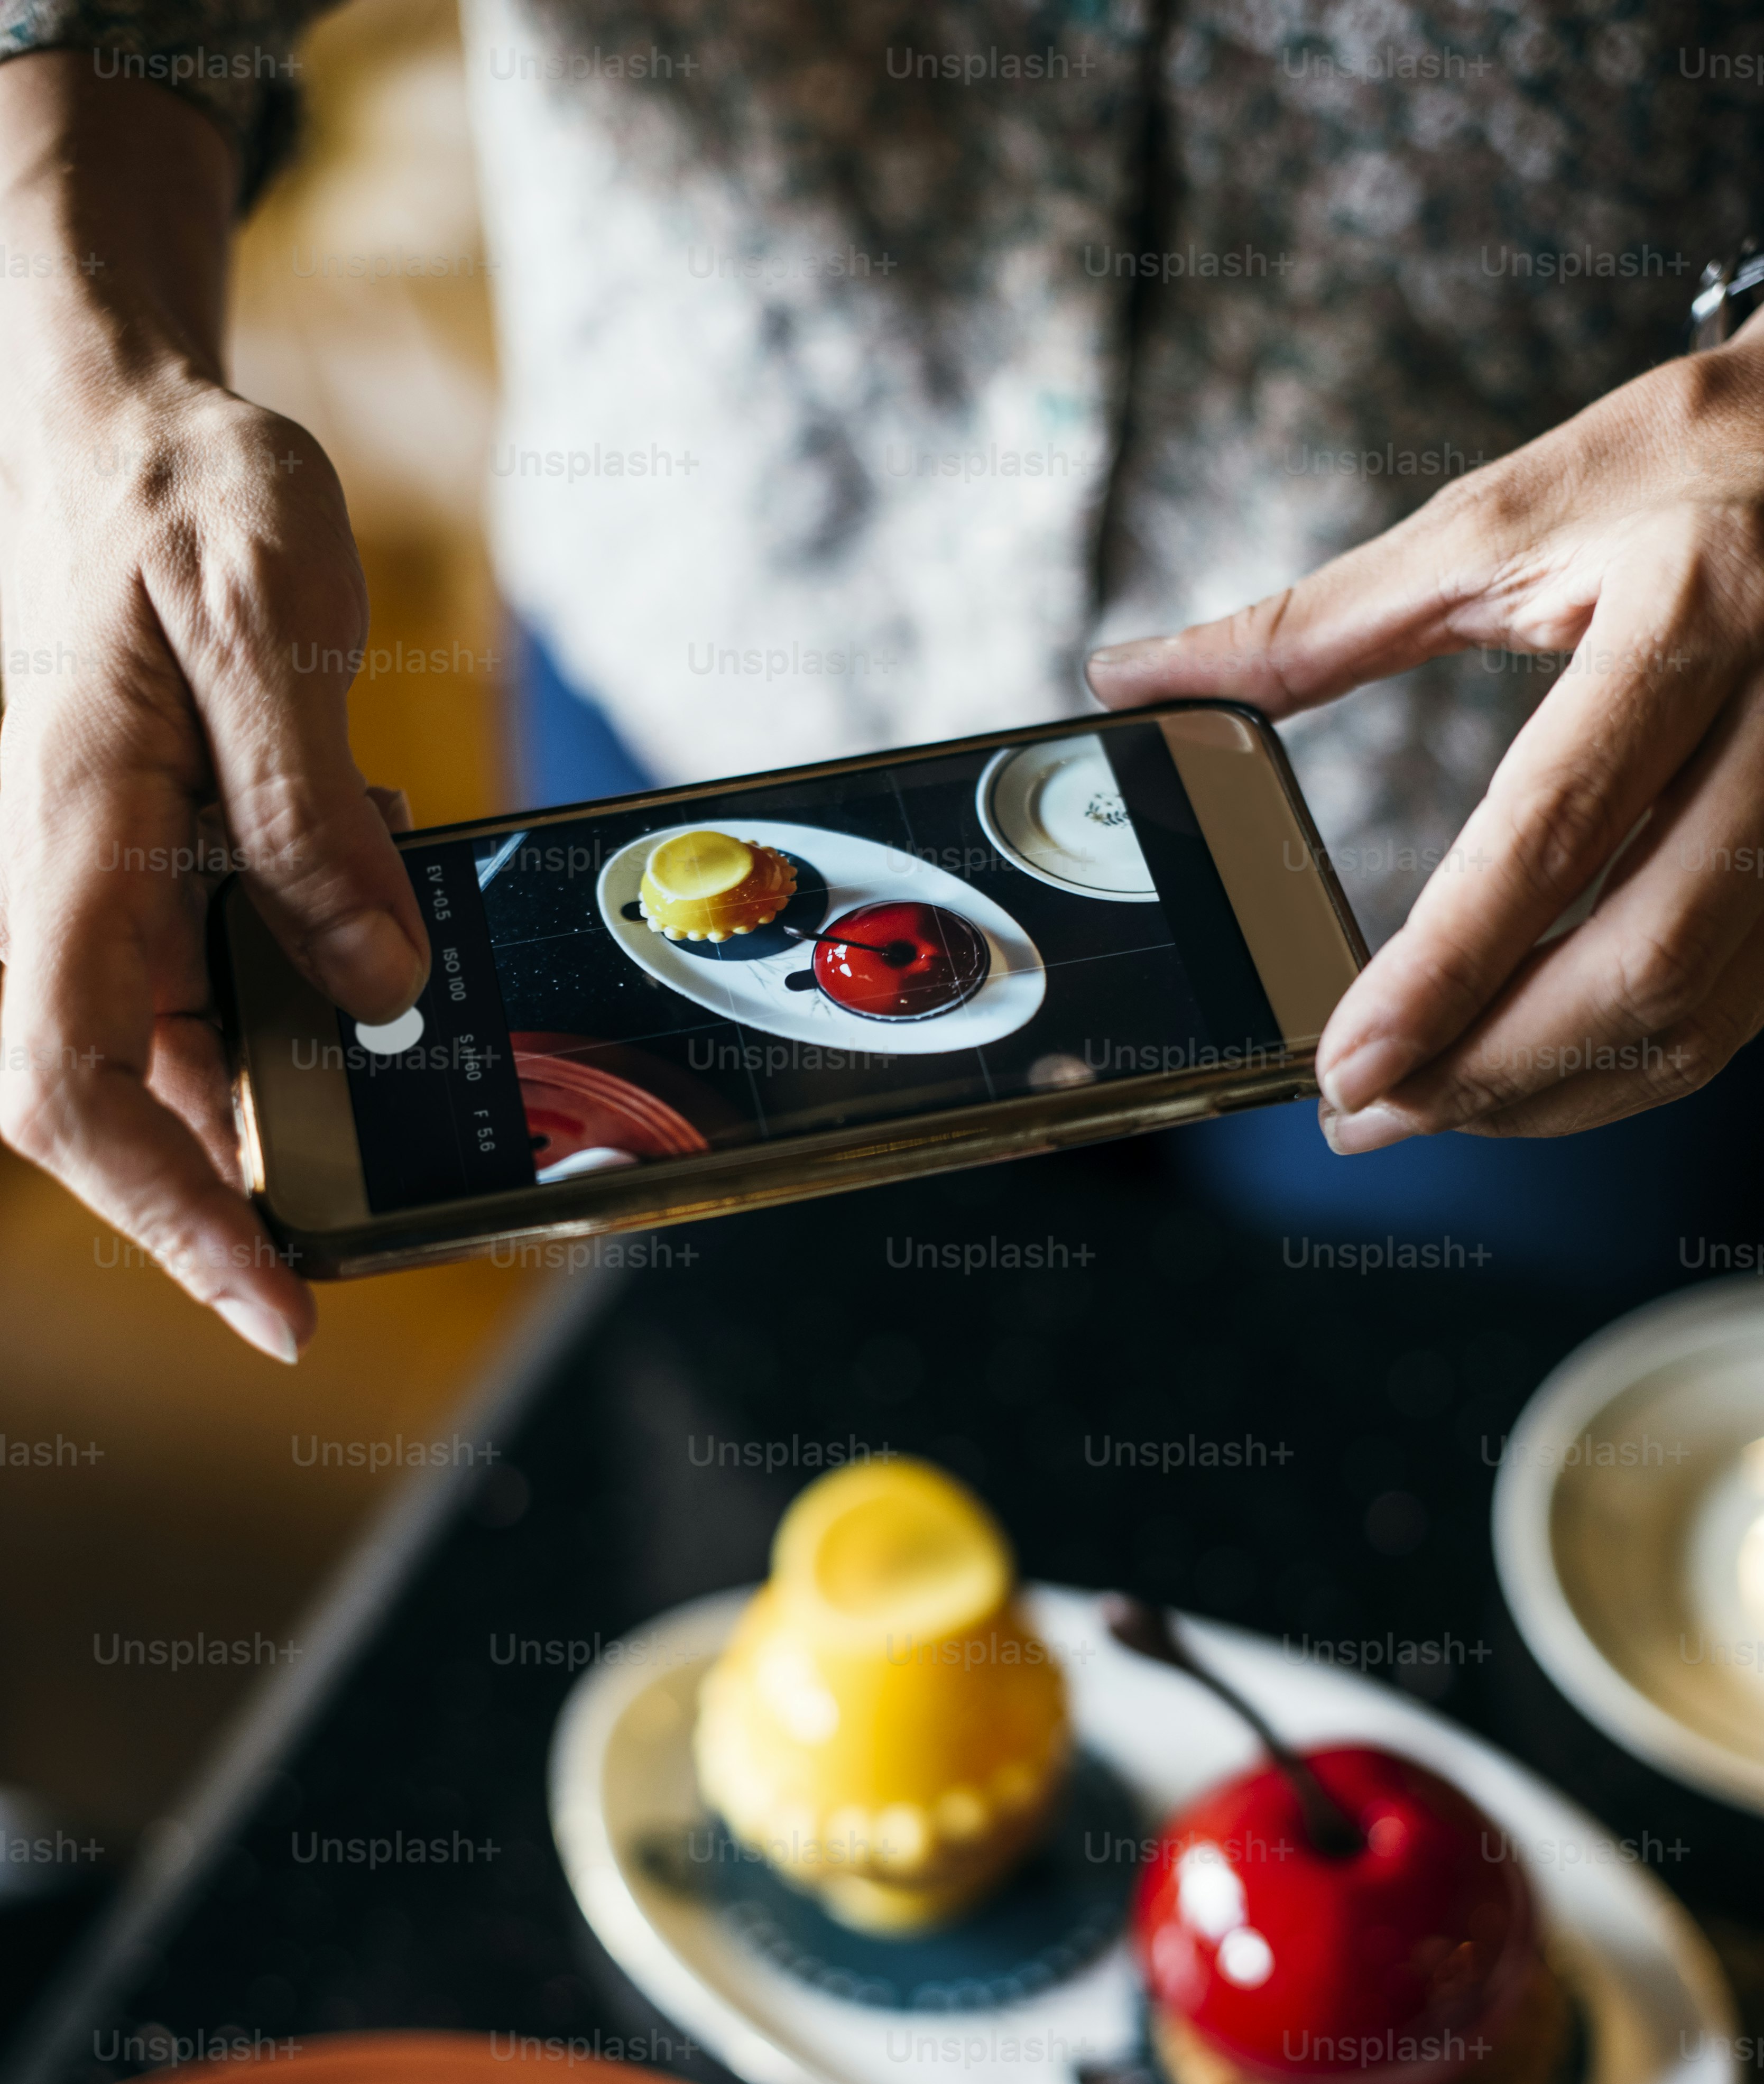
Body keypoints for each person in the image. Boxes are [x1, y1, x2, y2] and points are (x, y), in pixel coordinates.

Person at [0, 14, 1759, 1358]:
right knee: (774, 1440)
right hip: (707, 641)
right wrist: (80, 357)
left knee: (1466, 1510)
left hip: (1574, 798)